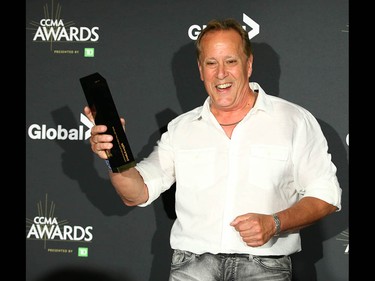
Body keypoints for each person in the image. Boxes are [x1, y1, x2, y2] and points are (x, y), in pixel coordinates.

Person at [84, 18, 342, 281]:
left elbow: (326, 196)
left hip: (264, 269)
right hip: (191, 269)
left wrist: (274, 223)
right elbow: (136, 194)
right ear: (200, 69)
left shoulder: (294, 120)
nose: (221, 74)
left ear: (248, 64)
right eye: (211, 63)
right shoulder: (181, 128)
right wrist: (114, 157)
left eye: (230, 61)